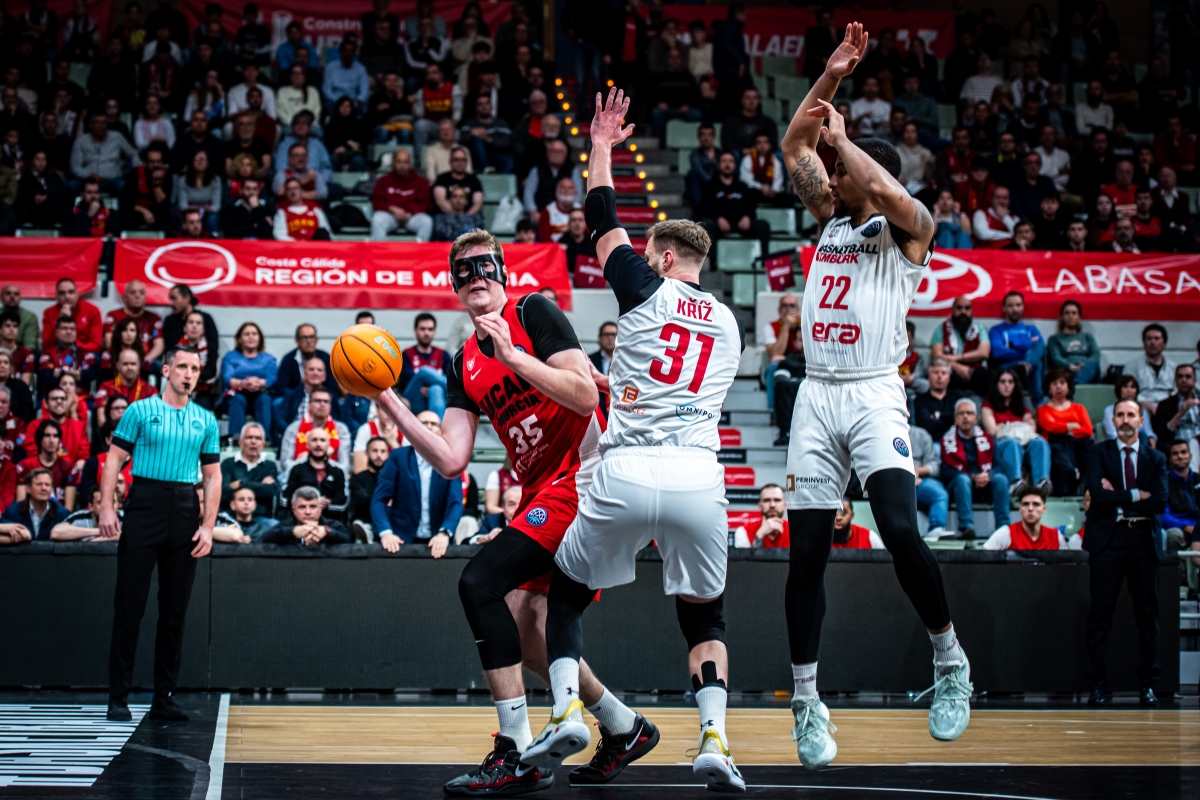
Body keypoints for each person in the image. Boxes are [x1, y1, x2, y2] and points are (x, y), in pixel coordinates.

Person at [528, 89, 744, 791]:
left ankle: (567, 710)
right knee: (705, 617)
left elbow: (600, 216)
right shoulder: (731, 324)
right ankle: (713, 739)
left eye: (650, 255)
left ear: (665, 258)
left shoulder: (645, 287)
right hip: (698, 477)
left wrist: (600, 146)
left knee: (564, 596)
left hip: (626, 469)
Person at [370, 226, 632, 794]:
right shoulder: (461, 361)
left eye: (485, 266)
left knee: (479, 582)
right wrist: (386, 398)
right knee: (522, 626)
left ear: (503, 272)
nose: (476, 277)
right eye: (463, 271)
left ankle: (513, 751)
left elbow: (585, 394)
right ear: (454, 285)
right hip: (541, 490)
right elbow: (451, 460)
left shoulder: (534, 311)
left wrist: (512, 356)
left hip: (586, 473)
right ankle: (623, 726)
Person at [778, 23, 973, 760]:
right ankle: (806, 702)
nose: (830, 172)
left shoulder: (909, 230)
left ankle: (950, 661)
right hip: (817, 394)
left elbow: (889, 189)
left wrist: (846, 139)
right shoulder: (831, 219)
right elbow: (794, 146)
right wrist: (830, 79)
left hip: (873, 393)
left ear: (868, 176)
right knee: (805, 556)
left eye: (842, 167)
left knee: (896, 526)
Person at [98, 345, 220, 723]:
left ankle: (163, 697)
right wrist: (107, 507)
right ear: (166, 370)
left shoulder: (206, 419)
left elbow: (213, 476)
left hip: (184, 506)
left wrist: (208, 526)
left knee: (174, 611)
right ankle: (118, 696)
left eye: (194, 369)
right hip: (145, 502)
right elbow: (114, 460)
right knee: (129, 606)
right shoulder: (139, 410)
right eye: (182, 366)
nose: (189, 374)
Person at [1083, 398, 1168, 706]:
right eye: (1120, 415)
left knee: (1148, 615)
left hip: (1143, 538)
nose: (1125, 420)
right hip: (1109, 539)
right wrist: (1135, 494)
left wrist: (1115, 495)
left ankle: (1148, 685)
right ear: (1113, 420)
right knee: (1100, 616)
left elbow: (1159, 501)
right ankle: (1097, 686)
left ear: (1141, 421)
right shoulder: (1098, 452)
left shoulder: (1156, 457)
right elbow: (1097, 494)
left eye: (1131, 414)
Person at [370, 412, 462, 555]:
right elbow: (378, 500)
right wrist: (386, 532)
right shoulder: (398, 457)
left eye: (434, 424)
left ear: (441, 432)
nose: (429, 427)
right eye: (423, 423)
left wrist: (445, 533)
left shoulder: (450, 461)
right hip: (399, 542)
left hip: (438, 541)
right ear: (413, 429)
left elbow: (455, 503)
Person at [940, 398, 1012, 540]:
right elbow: (946, 472)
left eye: (969, 413)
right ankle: (967, 527)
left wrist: (988, 475)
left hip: (985, 485)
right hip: (960, 487)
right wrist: (972, 477)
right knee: (962, 479)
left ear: (976, 418)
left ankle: (1003, 527)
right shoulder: (946, 441)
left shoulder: (988, 439)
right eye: (961, 413)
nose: (965, 416)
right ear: (955, 419)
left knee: (1001, 479)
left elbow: (999, 466)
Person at [982, 367, 1050, 497]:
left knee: (1040, 442)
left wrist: (1005, 425)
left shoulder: (1022, 409)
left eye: (1010, 382)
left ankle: (1041, 482)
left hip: (1022, 445)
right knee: (1012, 443)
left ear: (1015, 385)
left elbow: (1032, 428)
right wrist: (1018, 424)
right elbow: (992, 430)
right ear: (997, 384)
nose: (1006, 385)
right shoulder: (988, 406)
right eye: (1003, 382)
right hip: (999, 446)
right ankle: (1015, 481)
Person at [695, 151, 770, 264]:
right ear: (718, 165)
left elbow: (750, 206)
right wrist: (718, 218)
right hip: (719, 225)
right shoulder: (710, 186)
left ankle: (763, 263)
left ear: (735, 165)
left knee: (763, 225)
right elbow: (705, 208)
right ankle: (713, 264)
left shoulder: (742, 186)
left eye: (730, 161)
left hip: (740, 224)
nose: (727, 164)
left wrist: (747, 217)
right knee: (707, 226)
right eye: (724, 161)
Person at [1038, 369, 1094, 496]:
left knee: (1094, 458)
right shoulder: (1043, 410)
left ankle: (1083, 493)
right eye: (1054, 383)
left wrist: (1069, 432)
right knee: (1063, 466)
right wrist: (1071, 425)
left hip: (1079, 444)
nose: (1058, 386)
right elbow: (1049, 427)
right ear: (1049, 389)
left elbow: (1088, 430)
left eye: (1062, 382)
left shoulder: (1079, 408)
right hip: (1056, 445)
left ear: (1068, 388)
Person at [277, 425, 349, 519]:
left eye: (322, 440)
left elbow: (343, 504)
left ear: (328, 445)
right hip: (298, 521)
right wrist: (311, 503)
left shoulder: (339, 471)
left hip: (331, 521)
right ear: (307, 444)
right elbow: (284, 500)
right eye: (314, 440)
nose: (318, 444)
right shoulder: (295, 468)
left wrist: (327, 504)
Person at [989, 292, 1046, 404]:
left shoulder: (1031, 329)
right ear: (1004, 308)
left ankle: (1026, 367)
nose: (1015, 309)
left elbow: (1040, 347)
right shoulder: (996, 330)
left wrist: (1013, 345)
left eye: (1018, 305)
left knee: (1038, 352)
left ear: (1022, 307)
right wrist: (1027, 350)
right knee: (1036, 362)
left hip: (1027, 371)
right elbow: (998, 352)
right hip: (1008, 368)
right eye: (1010, 305)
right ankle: (1038, 405)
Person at [279, 385, 352, 473]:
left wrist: (320, 467)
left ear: (330, 406)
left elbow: (345, 465)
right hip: (299, 476)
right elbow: (285, 462)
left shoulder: (341, 429)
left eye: (326, 401)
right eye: (317, 401)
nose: (322, 404)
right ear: (309, 405)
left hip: (331, 476)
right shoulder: (293, 428)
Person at [930, 296, 991, 396]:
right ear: (952, 310)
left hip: (976, 370)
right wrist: (957, 366)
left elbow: (984, 353)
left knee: (992, 377)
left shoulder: (979, 328)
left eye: (967, 308)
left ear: (971, 310)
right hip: (952, 370)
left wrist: (957, 358)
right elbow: (937, 356)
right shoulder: (941, 329)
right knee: (951, 377)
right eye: (959, 308)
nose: (963, 311)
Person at [369, 148, 433, 241]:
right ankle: (379, 250)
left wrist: (411, 213)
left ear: (410, 164)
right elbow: (376, 202)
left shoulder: (420, 182)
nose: (402, 165)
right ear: (393, 163)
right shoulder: (383, 181)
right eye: (399, 162)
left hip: (411, 216)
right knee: (377, 219)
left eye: (405, 162)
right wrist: (391, 208)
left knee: (426, 221)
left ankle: (420, 250)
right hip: (391, 216)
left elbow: (425, 204)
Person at [1162, 440, 1200, 595]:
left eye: (1183, 452)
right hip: (1180, 529)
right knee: (1173, 534)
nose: (1180, 456)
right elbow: (1163, 516)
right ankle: (1180, 583)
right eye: (1175, 454)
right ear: (1170, 459)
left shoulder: (1198, 479)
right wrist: (1185, 526)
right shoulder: (1163, 482)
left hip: (1198, 527)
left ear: (1190, 455)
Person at [982, 484, 1066, 550]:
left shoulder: (1056, 537)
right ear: (1020, 508)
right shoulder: (1006, 533)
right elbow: (983, 559)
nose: (1030, 508)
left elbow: (1067, 566)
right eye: (1026, 504)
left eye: (1036, 504)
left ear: (1044, 509)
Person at [263, 485, 352, 547]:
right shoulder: (284, 526)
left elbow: (350, 542)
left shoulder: (333, 525)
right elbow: (264, 539)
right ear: (294, 510)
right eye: (302, 507)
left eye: (312, 506)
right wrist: (292, 531)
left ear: (320, 509)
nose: (308, 512)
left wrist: (327, 532)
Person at [219, 421, 276, 517]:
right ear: (240, 442)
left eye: (258, 438)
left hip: (261, 517)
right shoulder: (228, 464)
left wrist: (241, 484)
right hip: (230, 516)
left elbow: (269, 492)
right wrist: (259, 485)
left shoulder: (269, 466)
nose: (253, 441)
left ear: (263, 444)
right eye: (249, 437)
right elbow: (223, 494)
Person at [15, 419, 76, 508]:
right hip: (31, 514)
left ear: (59, 440)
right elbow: (20, 506)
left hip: (59, 514)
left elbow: (68, 510)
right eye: (47, 436)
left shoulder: (69, 467)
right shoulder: (25, 466)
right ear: (39, 439)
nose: (51, 440)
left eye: (55, 436)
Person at [0, 469, 71, 544]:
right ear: (28, 489)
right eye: (39, 484)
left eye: (47, 485)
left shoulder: (62, 513)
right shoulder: (12, 512)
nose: (44, 488)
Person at [37, 316, 97, 401]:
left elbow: (90, 375)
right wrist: (77, 374)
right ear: (56, 332)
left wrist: (63, 372)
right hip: (55, 396)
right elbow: (47, 379)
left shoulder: (86, 353)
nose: (69, 332)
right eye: (64, 328)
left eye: (72, 329)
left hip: (81, 396)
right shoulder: (47, 354)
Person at [1123, 324, 1176, 415]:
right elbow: (1127, 392)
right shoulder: (1131, 366)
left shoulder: (1174, 368)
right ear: (1144, 343)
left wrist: (1164, 406)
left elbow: (1177, 392)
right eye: (1149, 339)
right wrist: (1148, 405)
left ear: (1164, 344)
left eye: (1156, 338)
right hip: (1141, 405)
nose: (1152, 342)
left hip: (1168, 406)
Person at [402, 314, 449, 418]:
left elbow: (450, 377)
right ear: (415, 331)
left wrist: (431, 387)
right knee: (424, 372)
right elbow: (407, 382)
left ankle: (437, 427)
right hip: (413, 401)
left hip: (438, 398)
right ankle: (461, 387)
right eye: (422, 329)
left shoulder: (443, 355)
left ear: (434, 332)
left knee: (436, 389)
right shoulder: (406, 355)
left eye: (430, 329)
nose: (426, 333)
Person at [909, 424, 949, 540]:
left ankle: (936, 528)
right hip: (894, 482)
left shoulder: (921, 434)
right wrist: (906, 476)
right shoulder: (886, 433)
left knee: (939, 492)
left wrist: (919, 471)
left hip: (919, 481)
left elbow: (934, 465)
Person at [42, 278, 102, 354]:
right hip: (58, 353)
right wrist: (60, 320)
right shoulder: (49, 312)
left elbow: (96, 345)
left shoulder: (92, 310)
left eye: (71, 292)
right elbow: (46, 346)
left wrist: (74, 347)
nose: (67, 296)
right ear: (56, 297)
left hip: (83, 352)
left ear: (77, 294)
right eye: (62, 293)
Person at [1047, 301, 1100, 385]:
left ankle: (1077, 384)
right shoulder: (1054, 339)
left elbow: (1095, 354)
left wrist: (1084, 366)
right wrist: (1071, 367)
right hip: (1067, 370)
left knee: (1093, 365)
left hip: (1087, 368)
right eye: (1067, 313)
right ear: (1062, 317)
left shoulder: (1087, 337)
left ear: (1079, 317)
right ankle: (1077, 385)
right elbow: (1056, 358)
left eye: (1074, 313)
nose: (1070, 316)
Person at [1152, 364, 1200, 457]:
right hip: (1178, 449)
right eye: (1180, 377)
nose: (1184, 380)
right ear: (1175, 381)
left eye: (1188, 376)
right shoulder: (1165, 405)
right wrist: (1180, 413)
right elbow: (1162, 434)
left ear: (1195, 380)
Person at [349, 436, 389, 534]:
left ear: (387, 454)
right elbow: (361, 501)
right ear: (366, 453)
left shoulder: (392, 479)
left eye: (383, 451)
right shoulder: (357, 478)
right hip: (364, 520)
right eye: (375, 451)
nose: (379, 455)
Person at [720, 87, 778, 155]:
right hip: (739, 154)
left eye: (755, 98)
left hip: (763, 154)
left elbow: (773, 144)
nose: (751, 101)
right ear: (742, 100)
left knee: (779, 155)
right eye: (748, 98)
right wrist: (742, 150)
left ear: (759, 100)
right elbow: (726, 144)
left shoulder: (768, 123)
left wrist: (758, 150)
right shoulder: (730, 122)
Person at [913, 360, 959, 441]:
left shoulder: (957, 397)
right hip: (932, 442)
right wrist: (951, 421)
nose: (939, 376)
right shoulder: (920, 400)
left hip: (955, 442)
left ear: (949, 378)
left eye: (943, 373)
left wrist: (938, 415)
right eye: (936, 372)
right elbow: (926, 425)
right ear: (929, 377)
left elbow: (960, 420)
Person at [732, 484, 789, 548]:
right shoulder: (743, 532)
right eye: (767, 500)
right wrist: (759, 535)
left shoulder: (795, 531)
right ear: (760, 506)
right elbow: (744, 555)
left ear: (784, 505)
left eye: (777, 500)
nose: (772, 505)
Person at [435, 146, 486, 217]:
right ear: (450, 162)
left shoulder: (474, 181)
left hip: (470, 218)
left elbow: (477, 204)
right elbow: (440, 202)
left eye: (463, 160)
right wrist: (457, 217)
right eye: (456, 160)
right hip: (446, 217)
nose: (460, 163)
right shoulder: (442, 179)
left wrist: (465, 217)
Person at [685, 123, 718, 208]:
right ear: (698, 137)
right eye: (703, 135)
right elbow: (700, 172)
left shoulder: (720, 154)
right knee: (692, 173)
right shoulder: (695, 155)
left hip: (718, 186)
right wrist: (711, 182)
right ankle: (698, 207)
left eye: (709, 135)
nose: (706, 138)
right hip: (702, 186)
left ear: (714, 137)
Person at [1, 285, 40, 351]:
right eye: (8, 293)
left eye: (16, 294)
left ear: (20, 298)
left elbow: (30, 345)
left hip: (22, 354)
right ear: (1, 297)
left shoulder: (30, 317)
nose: (12, 297)